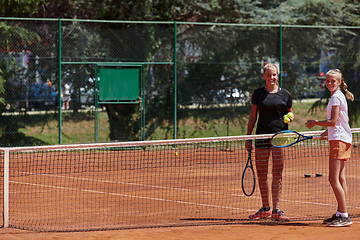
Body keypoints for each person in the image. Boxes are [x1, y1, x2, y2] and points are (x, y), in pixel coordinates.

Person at [305, 69, 354, 227]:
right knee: (340, 178)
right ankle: (340, 212)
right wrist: (328, 132)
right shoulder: (339, 96)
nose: (329, 83)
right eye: (327, 81)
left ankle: (344, 216)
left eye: (333, 81)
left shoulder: (335, 97)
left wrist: (315, 122)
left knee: (333, 179)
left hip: (339, 141)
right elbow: (341, 120)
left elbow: (333, 121)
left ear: (339, 82)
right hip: (343, 139)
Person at [245, 63, 294, 221]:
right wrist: (248, 138)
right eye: (269, 75)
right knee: (262, 174)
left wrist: (290, 117)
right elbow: (253, 117)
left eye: (274, 75)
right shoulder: (258, 94)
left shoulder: (285, 94)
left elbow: (290, 114)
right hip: (261, 137)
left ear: (277, 76)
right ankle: (266, 208)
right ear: (264, 76)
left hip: (280, 137)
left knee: (277, 174)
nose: (271, 77)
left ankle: (276, 210)